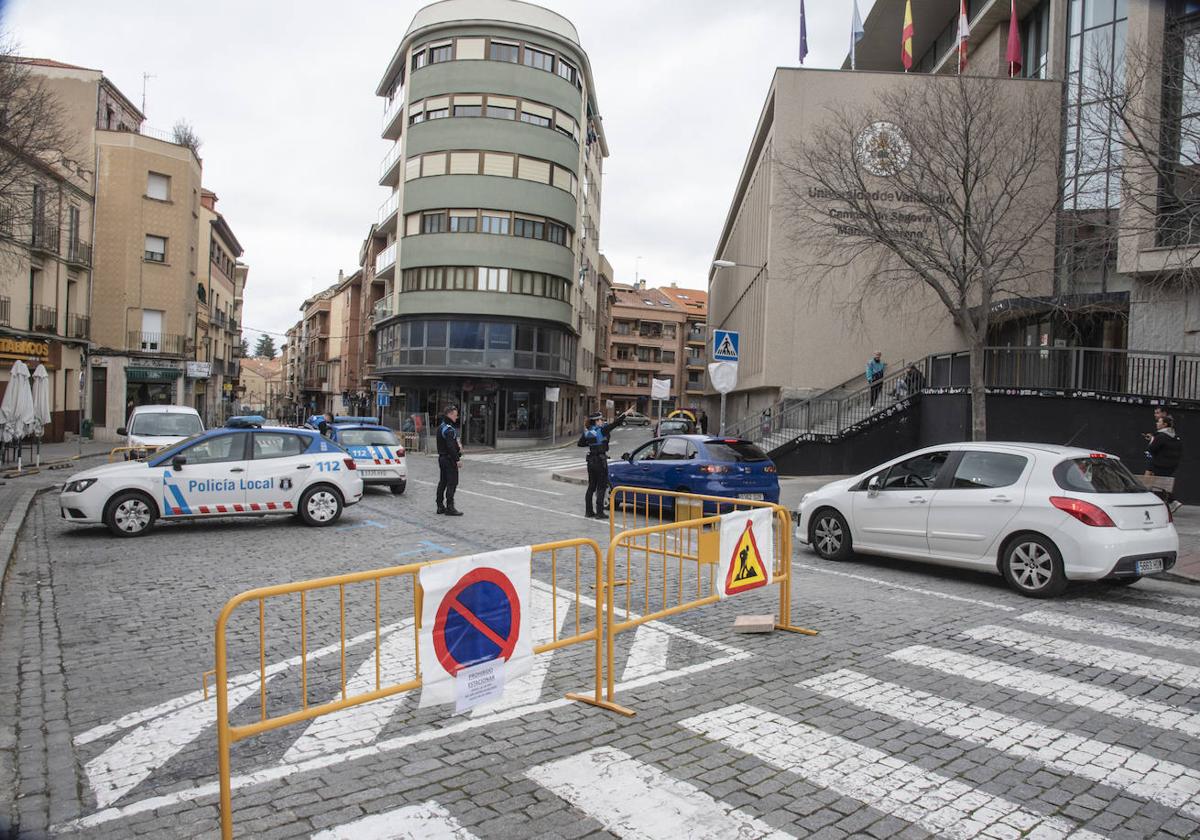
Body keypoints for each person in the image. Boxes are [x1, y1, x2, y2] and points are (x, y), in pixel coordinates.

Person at [578, 408, 630, 519]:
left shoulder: (588, 432)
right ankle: (599, 512)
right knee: (601, 487)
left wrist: (592, 444)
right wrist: (624, 414)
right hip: (600, 461)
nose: (602, 421)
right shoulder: (601, 431)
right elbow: (615, 424)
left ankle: (589, 511)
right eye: (600, 419)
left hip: (590, 461)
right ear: (596, 421)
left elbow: (580, 444)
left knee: (591, 486)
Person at [436, 405, 464, 516]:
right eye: (455, 415)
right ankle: (450, 508)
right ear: (450, 414)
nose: (456, 417)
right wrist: (457, 458)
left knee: (443, 482)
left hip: (442, 458)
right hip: (449, 459)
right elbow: (450, 446)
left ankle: (439, 506)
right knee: (452, 482)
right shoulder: (449, 429)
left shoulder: (441, 427)